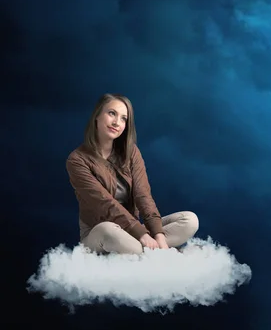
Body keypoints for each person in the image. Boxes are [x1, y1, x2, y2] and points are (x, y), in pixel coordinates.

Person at [66, 93, 199, 255]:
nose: (117, 122)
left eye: (124, 119)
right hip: (100, 235)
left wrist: (159, 236)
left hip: (132, 234)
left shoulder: (131, 152)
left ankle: (147, 252)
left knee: (189, 220)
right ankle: (166, 254)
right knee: (107, 230)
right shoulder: (77, 160)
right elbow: (104, 203)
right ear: (97, 116)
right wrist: (142, 234)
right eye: (112, 113)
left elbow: (143, 195)